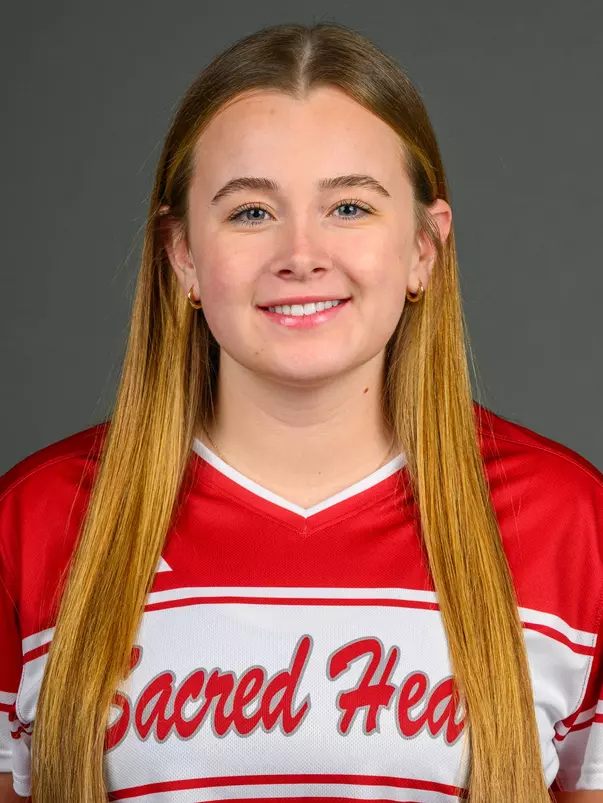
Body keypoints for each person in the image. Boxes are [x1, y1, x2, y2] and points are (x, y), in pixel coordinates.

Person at [0, 20, 601, 803]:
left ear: (423, 248)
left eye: (349, 207)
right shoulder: (36, 519)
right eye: (251, 212)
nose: (301, 253)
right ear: (181, 254)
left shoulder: (570, 523)